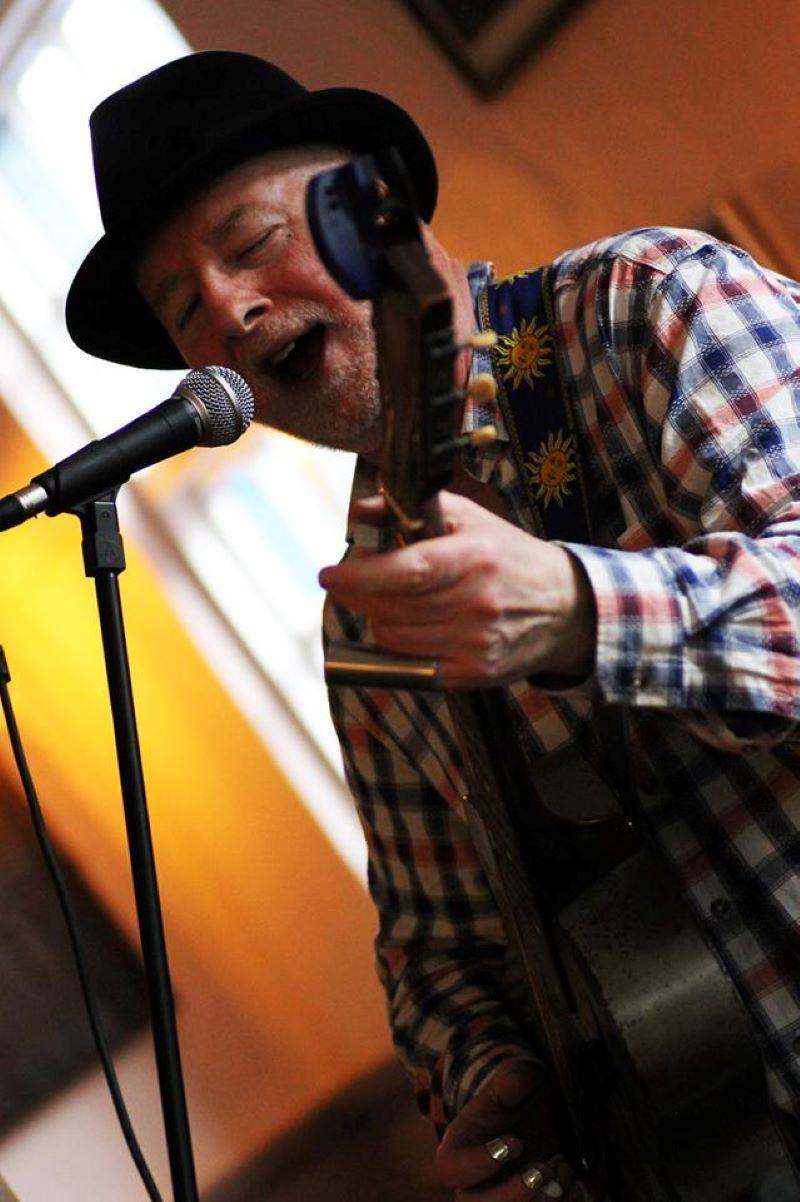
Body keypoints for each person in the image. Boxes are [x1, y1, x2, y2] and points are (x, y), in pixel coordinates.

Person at [65, 50, 800, 1201]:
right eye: (182, 309)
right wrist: (492, 1073)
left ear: (380, 207)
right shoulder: (367, 620)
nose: (228, 308)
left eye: (251, 245)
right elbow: (436, 950)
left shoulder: (650, 304)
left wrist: (575, 605)